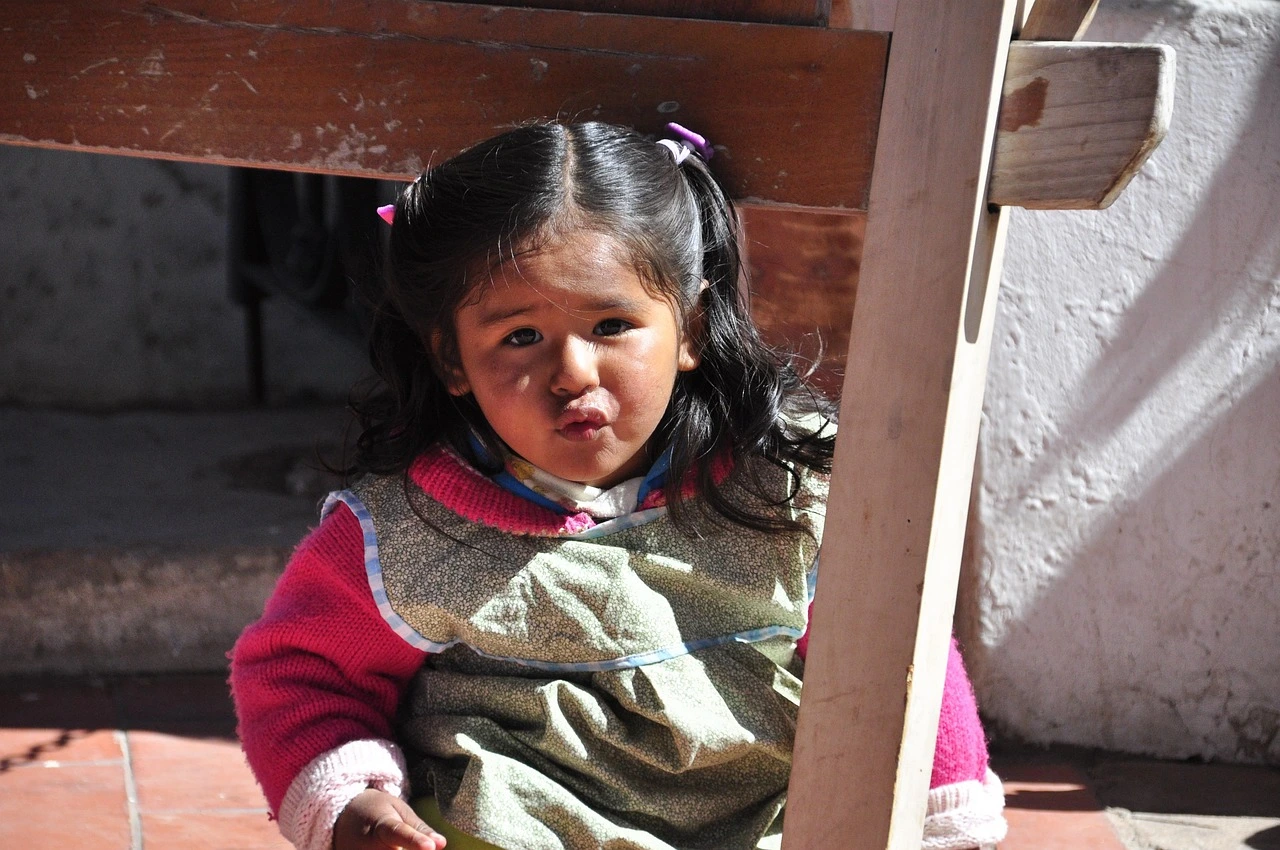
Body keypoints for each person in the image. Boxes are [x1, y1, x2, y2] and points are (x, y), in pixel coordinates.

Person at [230, 120, 1007, 850]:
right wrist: (351, 803)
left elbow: (903, 658)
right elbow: (300, 674)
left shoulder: (791, 491)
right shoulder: (403, 534)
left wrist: (944, 821)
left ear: (690, 328)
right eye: (521, 336)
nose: (573, 372)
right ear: (452, 360)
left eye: (611, 327)